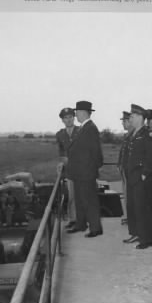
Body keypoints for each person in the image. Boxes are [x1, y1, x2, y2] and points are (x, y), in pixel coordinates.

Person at [123, 104, 152, 249]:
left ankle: (146, 238)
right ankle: (136, 233)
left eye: (132, 116)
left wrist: (144, 174)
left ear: (140, 118)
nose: (130, 118)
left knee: (143, 207)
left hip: (141, 178)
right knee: (132, 206)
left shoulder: (148, 134)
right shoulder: (133, 134)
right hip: (131, 177)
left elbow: (151, 156)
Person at [67, 101, 103, 238]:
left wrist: (92, 169)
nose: (75, 114)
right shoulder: (84, 128)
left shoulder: (90, 128)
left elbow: (96, 152)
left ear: (83, 112)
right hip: (80, 172)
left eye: (77, 112)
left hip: (86, 172)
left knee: (89, 200)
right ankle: (80, 224)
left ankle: (95, 228)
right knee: (80, 200)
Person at [55, 107, 80, 229]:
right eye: (66, 118)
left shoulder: (81, 131)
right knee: (71, 195)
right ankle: (73, 219)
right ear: (62, 120)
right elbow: (61, 152)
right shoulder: (60, 135)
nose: (68, 120)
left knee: (83, 194)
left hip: (82, 168)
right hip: (70, 170)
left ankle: (83, 219)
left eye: (70, 117)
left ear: (74, 118)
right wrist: (61, 163)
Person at [117, 111, 134, 225]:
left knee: (130, 195)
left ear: (129, 121)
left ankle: (131, 217)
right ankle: (128, 216)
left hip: (130, 170)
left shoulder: (133, 135)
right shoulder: (127, 135)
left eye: (124, 121)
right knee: (126, 193)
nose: (122, 123)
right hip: (124, 169)